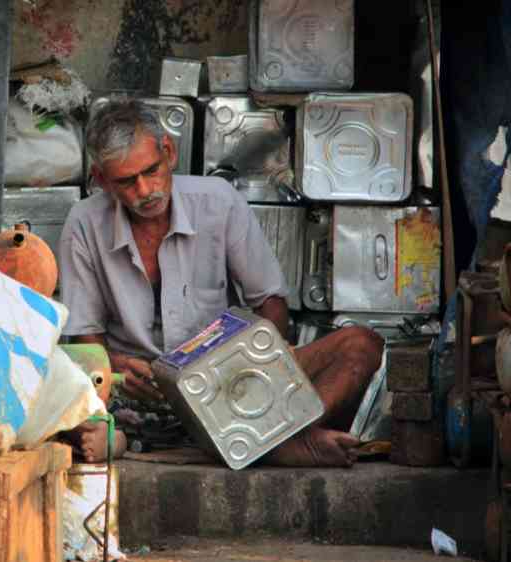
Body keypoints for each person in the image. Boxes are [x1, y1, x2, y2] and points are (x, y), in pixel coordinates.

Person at [59, 99, 384, 467]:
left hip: (228, 384)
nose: (145, 189)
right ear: (102, 180)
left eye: (151, 170)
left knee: (361, 344)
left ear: (169, 152)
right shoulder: (84, 223)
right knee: (67, 385)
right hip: (140, 398)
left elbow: (271, 304)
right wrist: (117, 368)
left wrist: (261, 363)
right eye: (126, 181)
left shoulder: (217, 201)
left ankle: (287, 437)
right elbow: (86, 339)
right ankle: (273, 445)